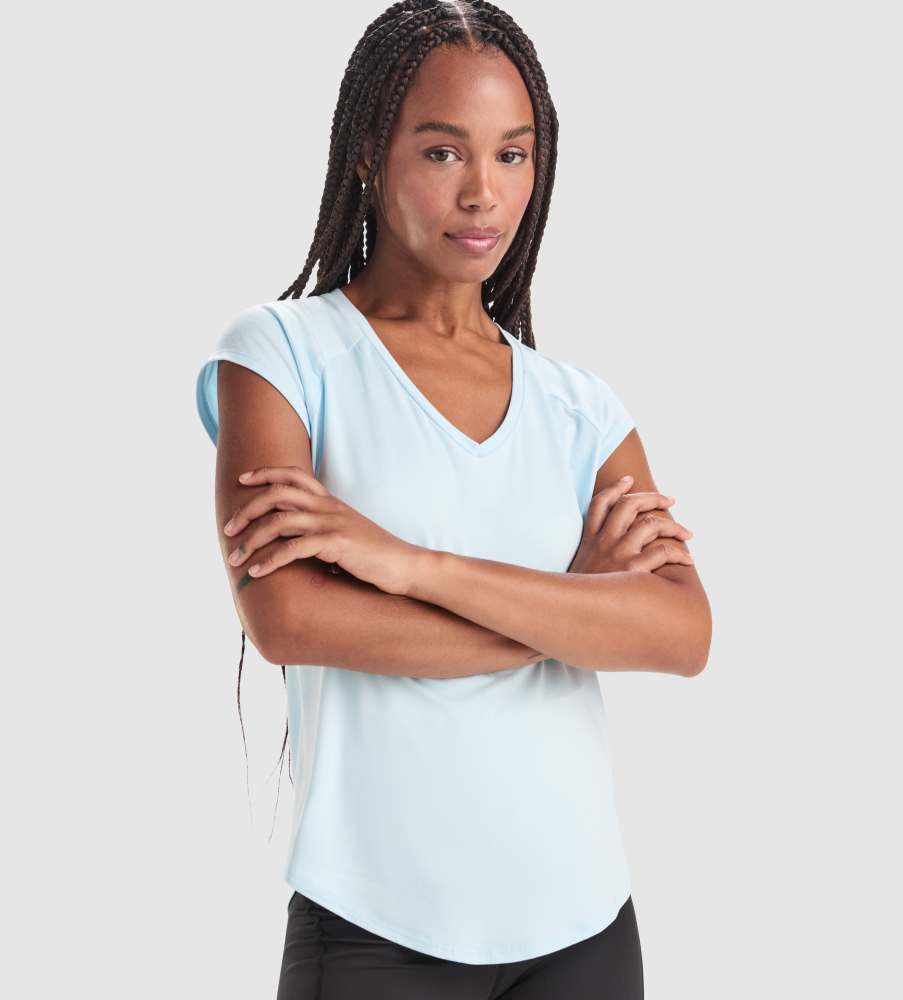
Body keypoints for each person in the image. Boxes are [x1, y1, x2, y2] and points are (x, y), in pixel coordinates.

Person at [195, 2, 711, 996]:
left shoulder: (580, 409)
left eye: (512, 155)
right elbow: (291, 618)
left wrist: (408, 565)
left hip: (584, 926)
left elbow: (682, 634)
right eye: (443, 152)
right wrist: (572, 609)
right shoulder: (281, 355)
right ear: (366, 152)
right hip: (376, 928)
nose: (483, 192)